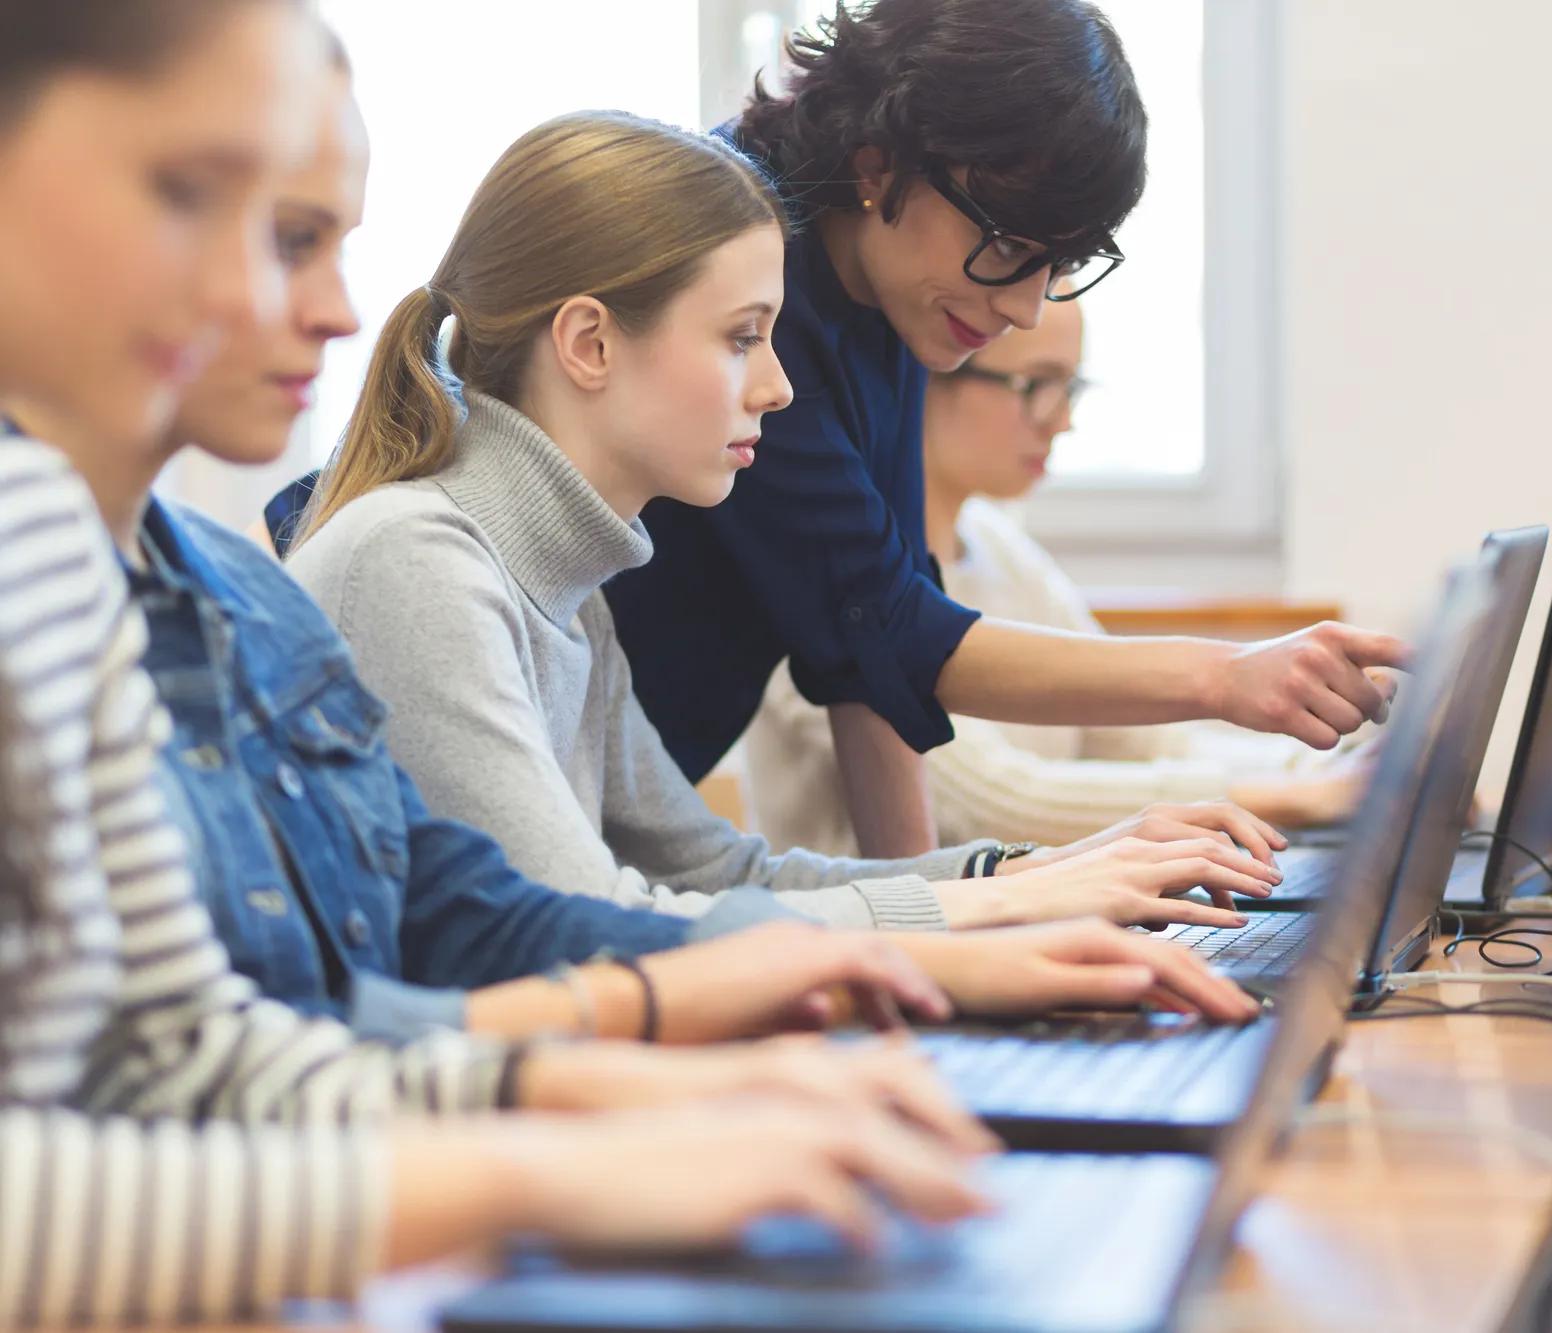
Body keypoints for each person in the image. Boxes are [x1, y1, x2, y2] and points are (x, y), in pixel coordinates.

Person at [0, 2, 984, 1320]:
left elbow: (201, 1064)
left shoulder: (55, 545)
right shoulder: (384, 555)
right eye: (195, 197)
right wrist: (547, 1157)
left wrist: (612, 1091)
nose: (307, 307)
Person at [13, 83, 1263, 1041]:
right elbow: (575, 933)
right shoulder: (416, 560)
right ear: (590, 346)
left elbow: (700, 876)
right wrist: (974, 921)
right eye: (741, 338)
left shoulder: (563, 580)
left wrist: (1015, 881)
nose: (777, 387)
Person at [268, 0, 1407, 861]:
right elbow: (900, 636)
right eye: (1014, 245)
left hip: (607, 841)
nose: (1021, 306)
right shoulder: (436, 564)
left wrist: (958, 922)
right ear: (880, 169)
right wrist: (1218, 678)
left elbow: (868, 661)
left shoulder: (887, 302)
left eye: (1060, 265)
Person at [746, 296, 1380, 854]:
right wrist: (1304, 798)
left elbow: (1144, 746)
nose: (1063, 419)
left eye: (1071, 387)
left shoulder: (999, 547)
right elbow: (996, 805)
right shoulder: (823, 567)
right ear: (929, 376)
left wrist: (1341, 765)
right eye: (1035, 384)